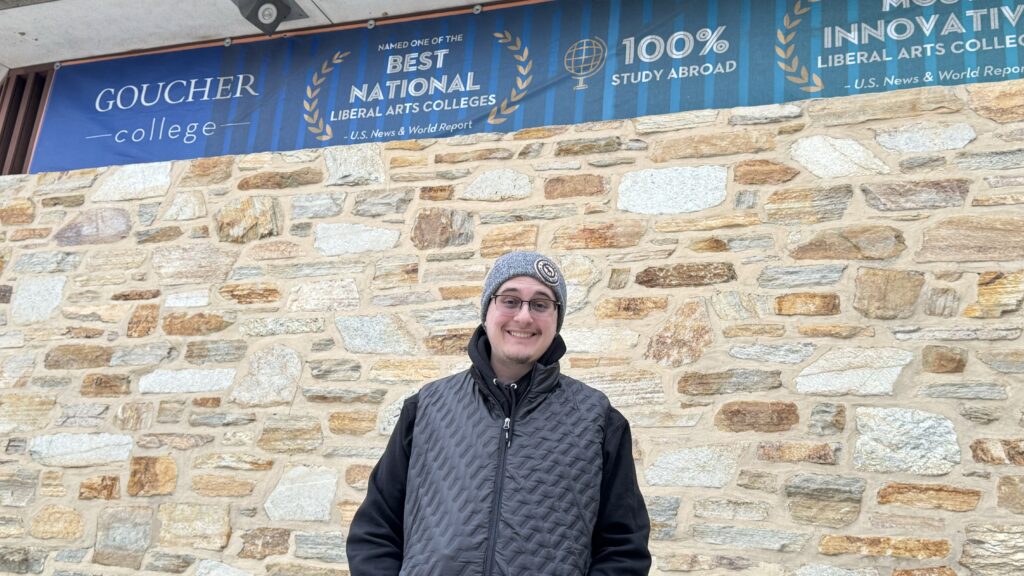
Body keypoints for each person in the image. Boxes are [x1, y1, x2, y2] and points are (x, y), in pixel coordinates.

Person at [346, 251, 651, 575]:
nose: (523, 317)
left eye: (540, 304)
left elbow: (624, 549)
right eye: (510, 300)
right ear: (487, 309)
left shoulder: (597, 419)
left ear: (556, 318)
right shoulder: (426, 408)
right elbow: (375, 531)